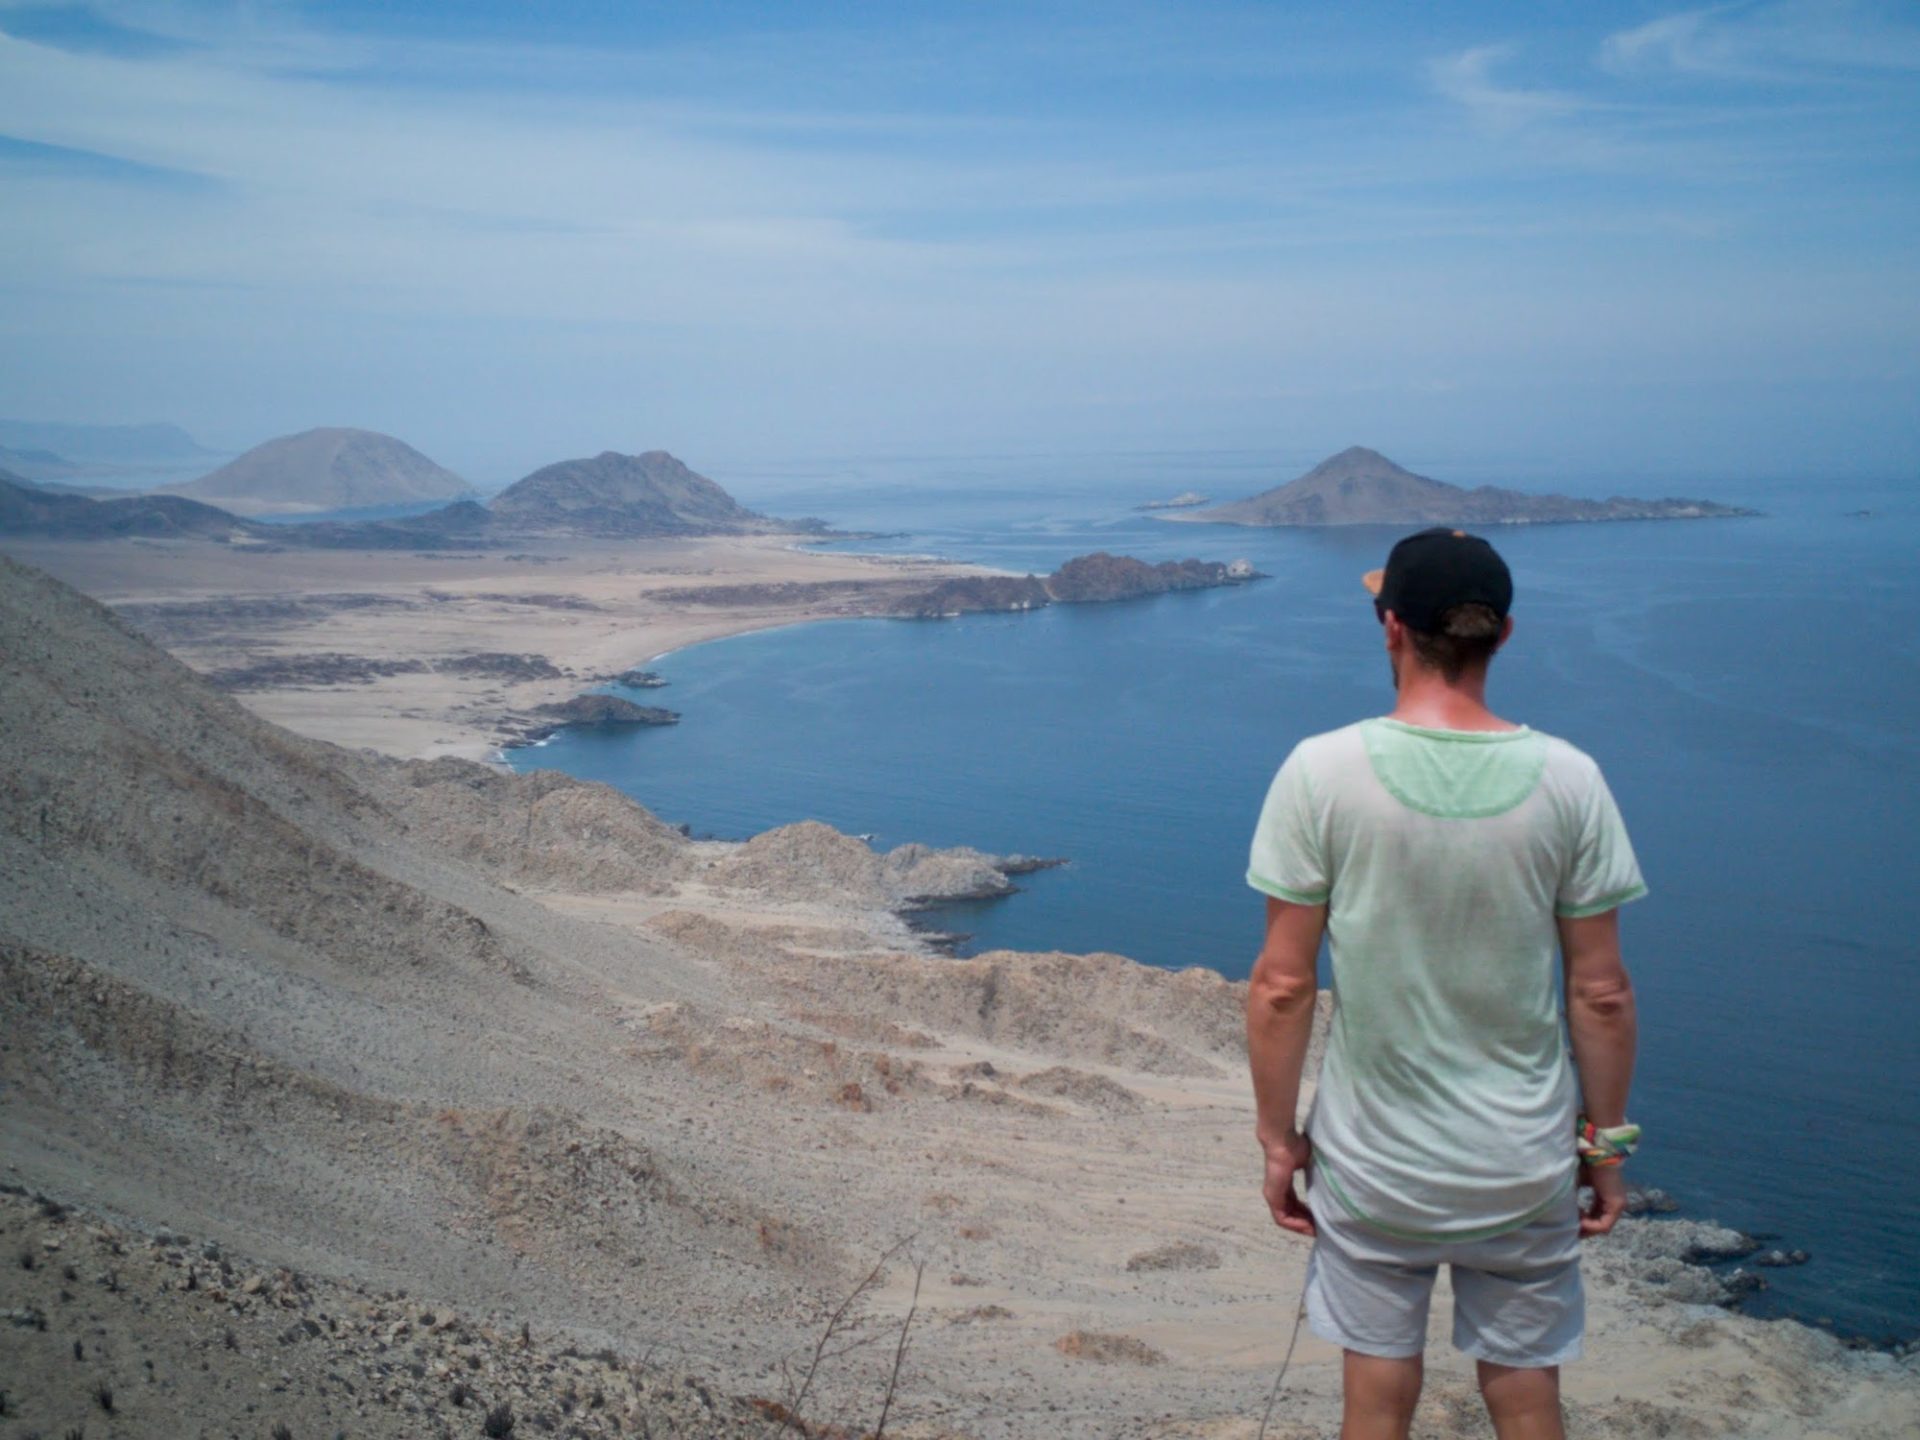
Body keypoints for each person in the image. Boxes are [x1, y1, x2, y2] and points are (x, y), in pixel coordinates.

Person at [1244, 527, 1645, 1440]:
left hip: (1374, 1167)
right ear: (1503, 636)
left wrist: (1278, 1142)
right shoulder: (1571, 780)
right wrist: (1607, 1147)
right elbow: (1602, 993)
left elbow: (1280, 985)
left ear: (1391, 629)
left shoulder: (1321, 771)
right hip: (1522, 1165)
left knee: (1378, 1395)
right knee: (1525, 1393)